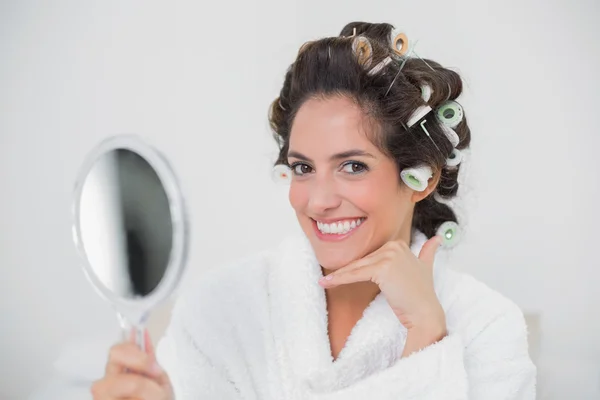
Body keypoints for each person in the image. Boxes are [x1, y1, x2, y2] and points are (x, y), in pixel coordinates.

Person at [91, 21, 537, 399]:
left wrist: (425, 335)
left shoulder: (485, 326)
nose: (318, 199)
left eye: (352, 166)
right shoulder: (220, 311)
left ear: (421, 176)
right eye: (302, 167)